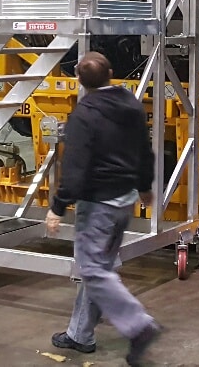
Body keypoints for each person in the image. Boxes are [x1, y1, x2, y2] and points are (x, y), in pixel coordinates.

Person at [46, 51, 160, 365]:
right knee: (100, 270)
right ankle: (80, 335)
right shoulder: (132, 104)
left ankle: (139, 326)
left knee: (93, 271)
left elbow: (75, 168)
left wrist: (57, 206)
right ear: (111, 72)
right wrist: (146, 187)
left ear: (79, 81)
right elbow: (144, 151)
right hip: (124, 203)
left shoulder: (84, 114)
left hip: (98, 207)